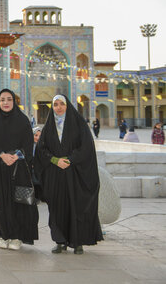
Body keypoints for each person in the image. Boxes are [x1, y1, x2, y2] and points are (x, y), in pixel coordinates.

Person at [34, 95, 103, 255]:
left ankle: (78, 242)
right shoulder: (49, 127)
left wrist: (70, 159)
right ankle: (60, 241)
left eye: (62, 104)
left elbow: (86, 147)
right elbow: (41, 149)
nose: (58, 107)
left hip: (74, 174)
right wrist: (54, 160)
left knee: (76, 206)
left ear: (67, 105)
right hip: (55, 174)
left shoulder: (79, 125)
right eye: (55, 104)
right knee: (57, 208)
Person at [0, 89, 38, 251]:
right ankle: (4, 234)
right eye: (2, 100)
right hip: (0, 168)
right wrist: (2, 155)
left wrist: (15, 156)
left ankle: (17, 236)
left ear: (14, 102)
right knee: (3, 201)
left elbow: (28, 143)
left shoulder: (22, 121)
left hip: (18, 168)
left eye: (9, 99)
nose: (5, 103)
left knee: (17, 201)